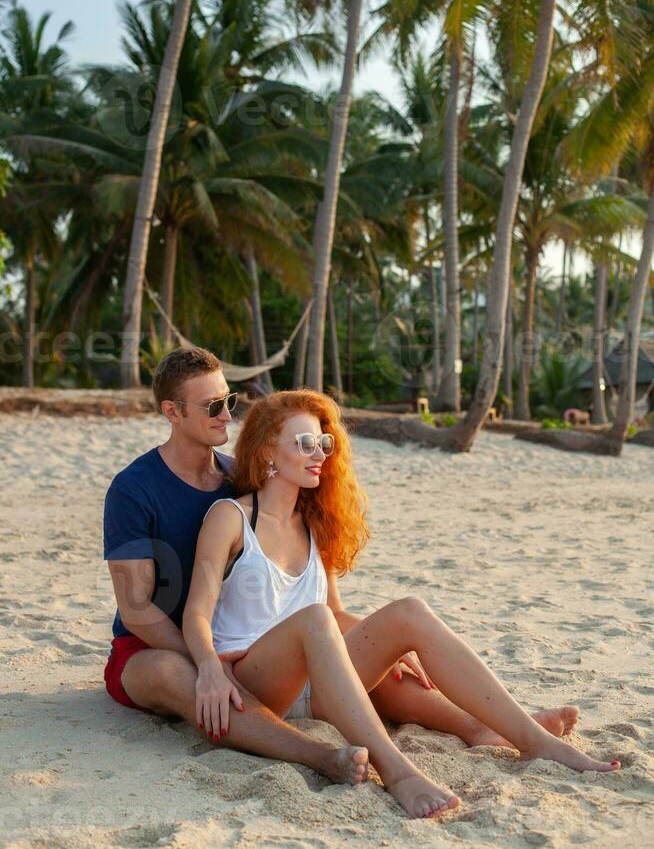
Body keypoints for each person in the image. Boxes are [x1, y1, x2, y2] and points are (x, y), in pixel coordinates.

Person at [183, 389, 623, 819]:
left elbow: (335, 614)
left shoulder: (313, 524)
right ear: (267, 453)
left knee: (408, 612)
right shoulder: (231, 517)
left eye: (324, 442)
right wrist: (207, 668)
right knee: (316, 620)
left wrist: (394, 644)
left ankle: (532, 738)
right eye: (305, 443)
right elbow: (197, 613)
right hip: (258, 681)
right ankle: (397, 772)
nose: (319, 452)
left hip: (320, 679)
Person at [103, 348, 368, 787]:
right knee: (175, 674)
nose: (227, 415)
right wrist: (206, 660)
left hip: (236, 644)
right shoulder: (133, 489)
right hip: (149, 647)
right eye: (212, 406)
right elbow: (136, 610)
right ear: (172, 412)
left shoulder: (238, 479)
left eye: (230, 401)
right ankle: (319, 756)